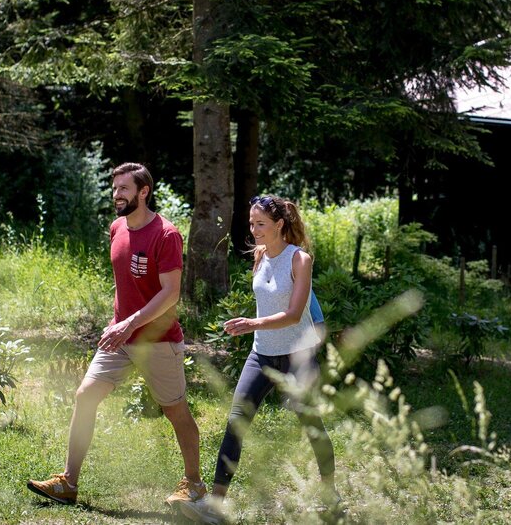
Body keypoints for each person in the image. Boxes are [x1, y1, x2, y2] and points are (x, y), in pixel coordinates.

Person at [27, 163, 206, 507]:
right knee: (86, 395)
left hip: (158, 339)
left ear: (143, 192)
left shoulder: (166, 234)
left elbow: (171, 293)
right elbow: (125, 284)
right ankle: (68, 483)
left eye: (124, 188)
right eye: (115, 189)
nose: (117, 195)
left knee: (176, 411)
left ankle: (194, 483)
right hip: (121, 338)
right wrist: (118, 322)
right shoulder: (117, 228)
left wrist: (130, 323)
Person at [179, 194, 337, 524]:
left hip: (297, 358)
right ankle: (216, 506)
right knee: (236, 424)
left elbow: (294, 315)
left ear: (280, 224)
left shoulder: (300, 260)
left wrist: (251, 323)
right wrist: (254, 327)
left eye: (260, 224)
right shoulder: (261, 255)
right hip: (261, 353)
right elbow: (267, 304)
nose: (253, 230)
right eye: (251, 223)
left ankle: (329, 492)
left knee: (311, 425)